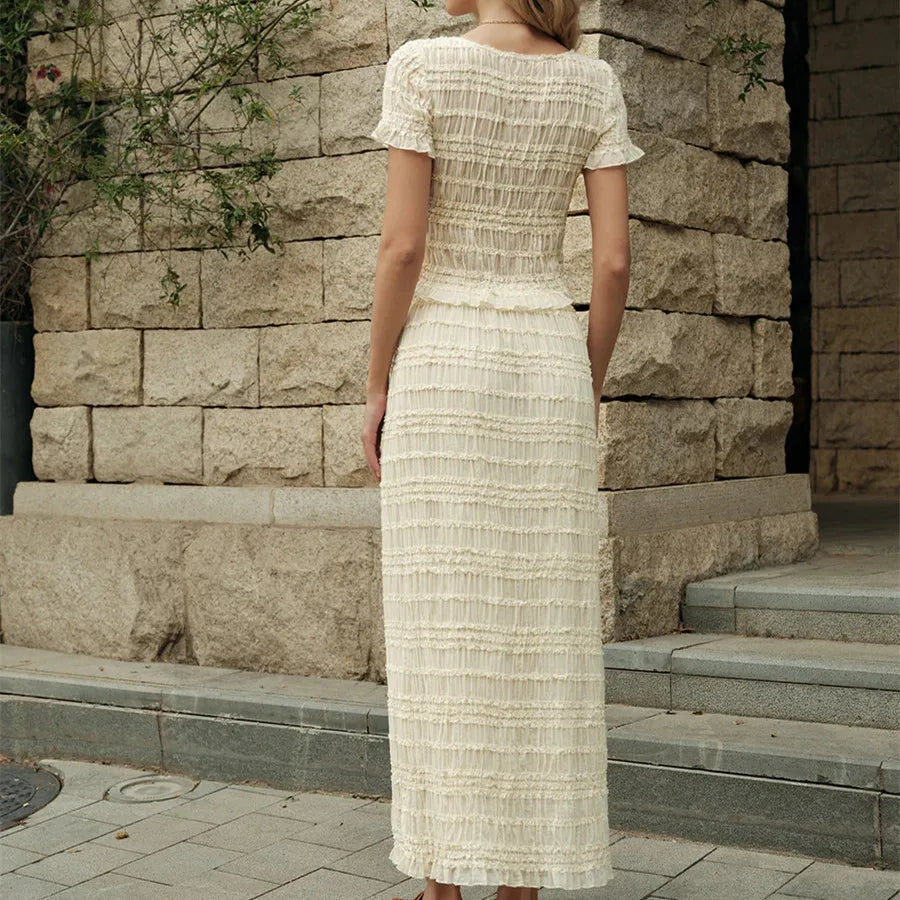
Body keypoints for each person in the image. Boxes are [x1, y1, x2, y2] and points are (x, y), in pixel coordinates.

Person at [362, 2, 644, 899]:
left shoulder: (422, 67)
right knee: (541, 634)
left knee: (440, 632)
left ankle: (442, 882)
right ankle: (523, 882)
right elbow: (612, 265)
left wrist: (376, 381)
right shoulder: (592, 81)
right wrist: (586, 380)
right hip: (545, 359)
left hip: (443, 365)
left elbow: (403, 247)